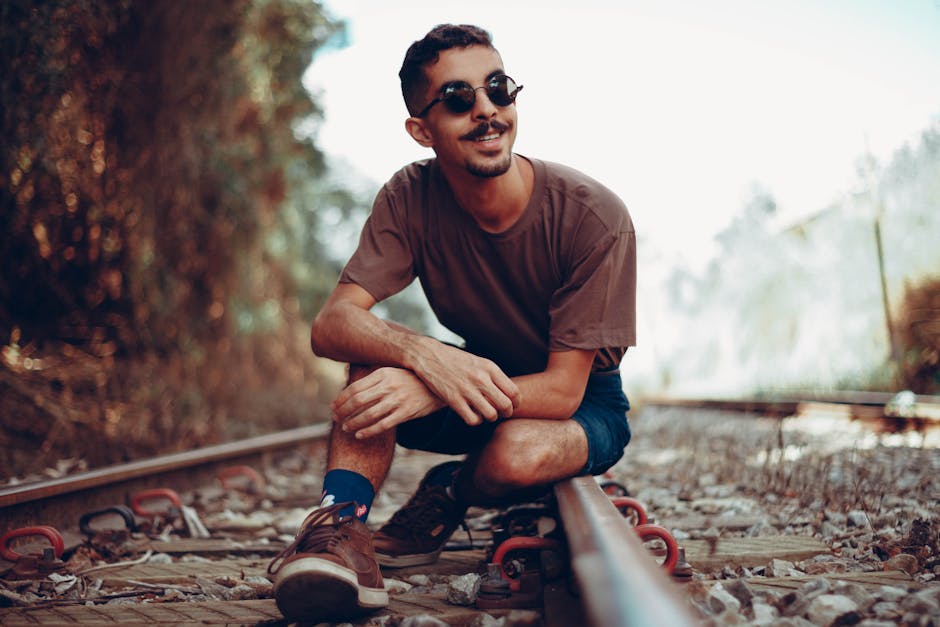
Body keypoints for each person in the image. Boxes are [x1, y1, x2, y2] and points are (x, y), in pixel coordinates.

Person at [267, 23, 637, 623]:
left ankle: (451, 490)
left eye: (498, 89)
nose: (487, 111)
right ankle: (340, 528)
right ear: (421, 130)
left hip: (579, 405)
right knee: (371, 360)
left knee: (515, 455)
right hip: (474, 383)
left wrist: (432, 382)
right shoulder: (411, 196)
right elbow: (332, 324)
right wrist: (422, 356)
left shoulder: (592, 218)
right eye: (459, 99)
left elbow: (564, 389)